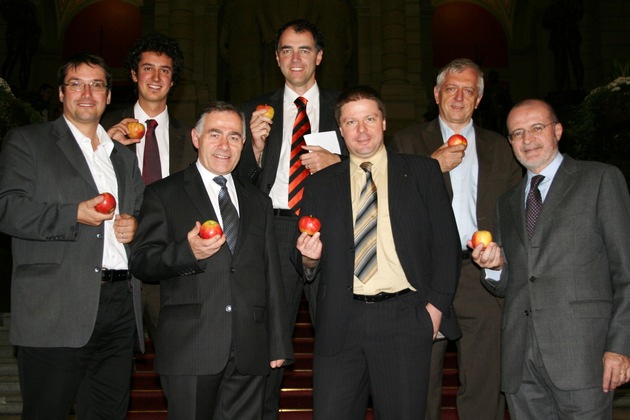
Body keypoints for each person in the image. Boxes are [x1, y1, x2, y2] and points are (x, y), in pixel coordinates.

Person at [295, 85, 461, 419]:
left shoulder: (421, 172)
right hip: (341, 320)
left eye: (369, 118)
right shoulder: (319, 184)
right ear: (340, 130)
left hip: (404, 316)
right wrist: (308, 258)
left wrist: (434, 308)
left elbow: (446, 245)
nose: (362, 129)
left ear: (384, 122)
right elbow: (306, 263)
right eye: (351, 122)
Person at [0, 52, 145, 419]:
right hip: (55, 307)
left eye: (97, 85)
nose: (87, 93)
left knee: (108, 413)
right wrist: (72, 215)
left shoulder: (123, 158)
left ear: (109, 96)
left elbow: (139, 213)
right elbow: (8, 210)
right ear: (61, 94)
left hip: (118, 305)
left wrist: (134, 226)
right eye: (76, 84)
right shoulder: (28, 142)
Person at [130, 102, 293, 420]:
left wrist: (278, 342)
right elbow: (142, 261)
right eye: (215, 134)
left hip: (250, 347)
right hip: (191, 347)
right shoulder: (164, 194)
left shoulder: (258, 201)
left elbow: (271, 275)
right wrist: (186, 253)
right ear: (196, 137)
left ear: (243, 144)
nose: (224, 145)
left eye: (234, 137)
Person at [470, 99, 630, 419]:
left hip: (584, 357)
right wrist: (496, 267)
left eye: (537, 128)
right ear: (510, 142)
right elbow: (512, 282)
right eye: (517, 133)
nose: (527, 139)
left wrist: (620, 348)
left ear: (557, 131)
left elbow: (625, 272)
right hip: (520, 361)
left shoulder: (599, 179)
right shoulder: (507, 201)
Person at [389, 58, 522, 420]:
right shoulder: (407, 141)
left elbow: (515, 214)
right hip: (424, 275)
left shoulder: (502, 147)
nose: (460, 97)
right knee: (419, 379)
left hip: (478, 274)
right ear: (436, 94)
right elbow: (391, 208)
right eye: (452, 89)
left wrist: (502, 258)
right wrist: (430, 167)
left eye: (469, 90)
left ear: (479, 99)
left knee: (484, 378)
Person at [238, 18, 347, 419]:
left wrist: (337, 162)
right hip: (274, 228)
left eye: (304, 49)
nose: (295, 57)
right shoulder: (254, 111)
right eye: (286, 50)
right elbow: (237, 181)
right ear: (277, 59)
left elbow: (372, 167)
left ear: (319, 56)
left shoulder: (344, 109)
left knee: (337, 337)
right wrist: (255, 148)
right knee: (269, 343)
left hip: (331, 230)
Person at [101, 32, 197, 341]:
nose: (155, 77)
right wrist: (105, 150)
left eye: (165, 70)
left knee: (179, 372)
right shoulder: (103, 134)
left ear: (173, 80)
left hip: (172, 272)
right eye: (147, 68)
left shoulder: (194, 139)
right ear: (133, 74)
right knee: (111, 372)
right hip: (116, 270)